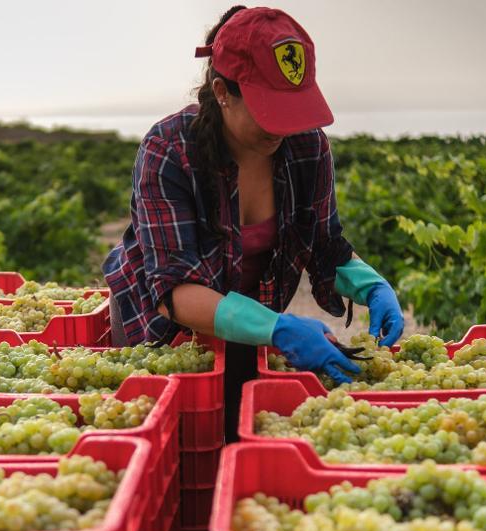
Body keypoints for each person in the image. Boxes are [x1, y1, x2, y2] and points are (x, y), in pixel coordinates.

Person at [102, 5, 405, 440]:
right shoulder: (169, 150)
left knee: (243, 434)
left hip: (251, 321)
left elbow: (323, 243)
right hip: (164, 332)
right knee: (187, 447)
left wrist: (371, 285)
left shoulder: (306, 147)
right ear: (223, 92)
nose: (284, 128)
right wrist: (278, 327)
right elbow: (176, 292)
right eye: (270, 110)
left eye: (294, 109)